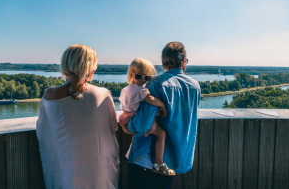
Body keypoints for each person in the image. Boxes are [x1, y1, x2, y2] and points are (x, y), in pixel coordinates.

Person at [36, 44, 120, 189]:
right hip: (100, 172)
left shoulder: (51, 95)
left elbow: (43, 129)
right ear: (89, 68)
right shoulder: (103, 93)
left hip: (66, 173)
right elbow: (113, 126)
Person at [126, 42, 201, 189]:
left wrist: (126, 125)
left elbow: (142, 125)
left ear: (163, 62)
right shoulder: (195, 87)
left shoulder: (155, 84)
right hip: (172, 161)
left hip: (147, 160)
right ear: (183, 61)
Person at [119, 58, 175, 176]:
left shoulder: (127, 89)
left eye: (147, 78)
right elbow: (150, 99)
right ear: (131, 74)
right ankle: (159, 163)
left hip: (129, 118)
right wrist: (163, 105)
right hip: (136, 119)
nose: (143, 80)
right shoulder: (138, 89)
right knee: (161, 134)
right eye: (139, 76)